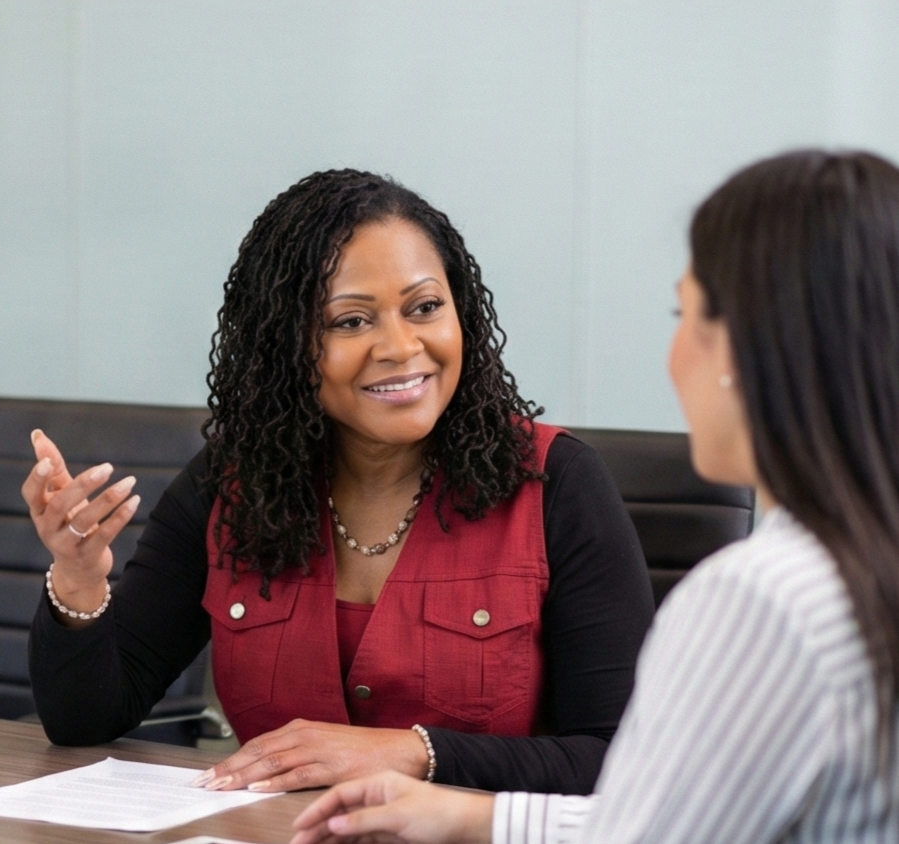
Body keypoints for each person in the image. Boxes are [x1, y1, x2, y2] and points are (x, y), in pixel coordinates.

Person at [290, 150, 899, 844]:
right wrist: (469, 816)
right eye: (348, 321)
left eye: (685, 314)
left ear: (750, 351)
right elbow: (667, 822)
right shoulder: (861, 566)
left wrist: (443, 779)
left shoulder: (762, 597)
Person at [24, 169, 654, 795]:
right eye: (350, 322)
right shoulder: (233, 484)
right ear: (285, 345)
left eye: (425, 308)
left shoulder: (557, 485)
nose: (401, 347)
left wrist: (413, 755)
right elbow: (87, 720)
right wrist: (79, 579)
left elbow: (619, 762)